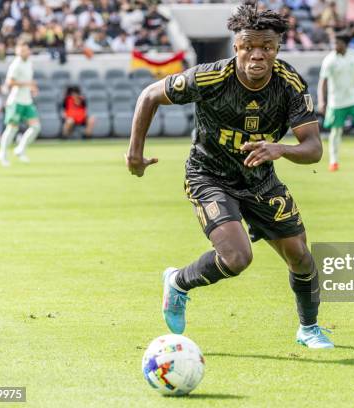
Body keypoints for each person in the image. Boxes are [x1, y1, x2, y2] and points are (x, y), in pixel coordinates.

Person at [126, 6, 333, 349]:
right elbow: (149, 95)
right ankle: (178, 282)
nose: (257, 54)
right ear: (236, 46)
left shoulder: (289, 84)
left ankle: (309, 329)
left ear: (276, 49)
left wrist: (279, 149)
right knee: (237, 257)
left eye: (266, 47)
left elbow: (313, 147)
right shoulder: (210, 78)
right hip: (209, 175)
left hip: (260, 179)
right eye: (249, 46)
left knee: (300, 255)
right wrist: (135, 153)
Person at [318, 31, 354, 172]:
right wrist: (322, 101)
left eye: (337, 42)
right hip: (336, 101)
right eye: (333, 42)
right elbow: (323, 82)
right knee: (336, 130)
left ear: (345, 44)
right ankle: (333, 162)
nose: (334, 45)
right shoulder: (329, 60)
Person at [0, 40, 41, 167]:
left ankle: (20, 149)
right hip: (16, 101)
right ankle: (2, 154)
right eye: (22, 50)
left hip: (27, 101)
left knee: (36, 127)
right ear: (17, 51)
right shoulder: (15, 65)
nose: (25, 52)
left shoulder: (29, 63)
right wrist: (27, 84)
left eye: (26, 50)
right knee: (12, 129)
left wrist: (32, 87)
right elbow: (9, 82)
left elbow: (29, 79)